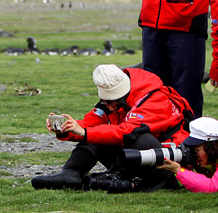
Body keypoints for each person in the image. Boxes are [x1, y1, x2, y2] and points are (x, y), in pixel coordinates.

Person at [31, 64, 193, 193]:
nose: (107, 105)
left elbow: (126, 133)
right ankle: (71, 173)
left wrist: (84, 132)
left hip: (166, 165)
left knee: (142, 138)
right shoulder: (115, 102)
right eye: (105, 101)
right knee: (98, 132)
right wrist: (67, 128)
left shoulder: (155, 100)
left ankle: (153, 182)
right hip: (133, 158)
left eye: (110, 101)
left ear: (122, 95)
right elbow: (91, 122)